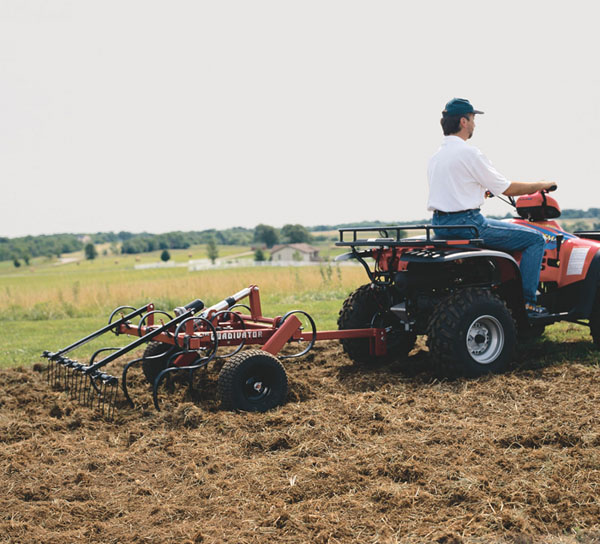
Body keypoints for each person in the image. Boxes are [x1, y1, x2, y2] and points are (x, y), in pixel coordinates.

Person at [427, 97, 557, 316]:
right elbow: (506, 188)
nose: (475, 124)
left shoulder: (436, 157)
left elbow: (455, 190)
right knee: (535, 239)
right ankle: (527, 302)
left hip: (440, 226)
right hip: (469, 224)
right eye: (473, 119)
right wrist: (542, 184)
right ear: (463, 121)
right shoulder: (469, 153)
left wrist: (479, 191)